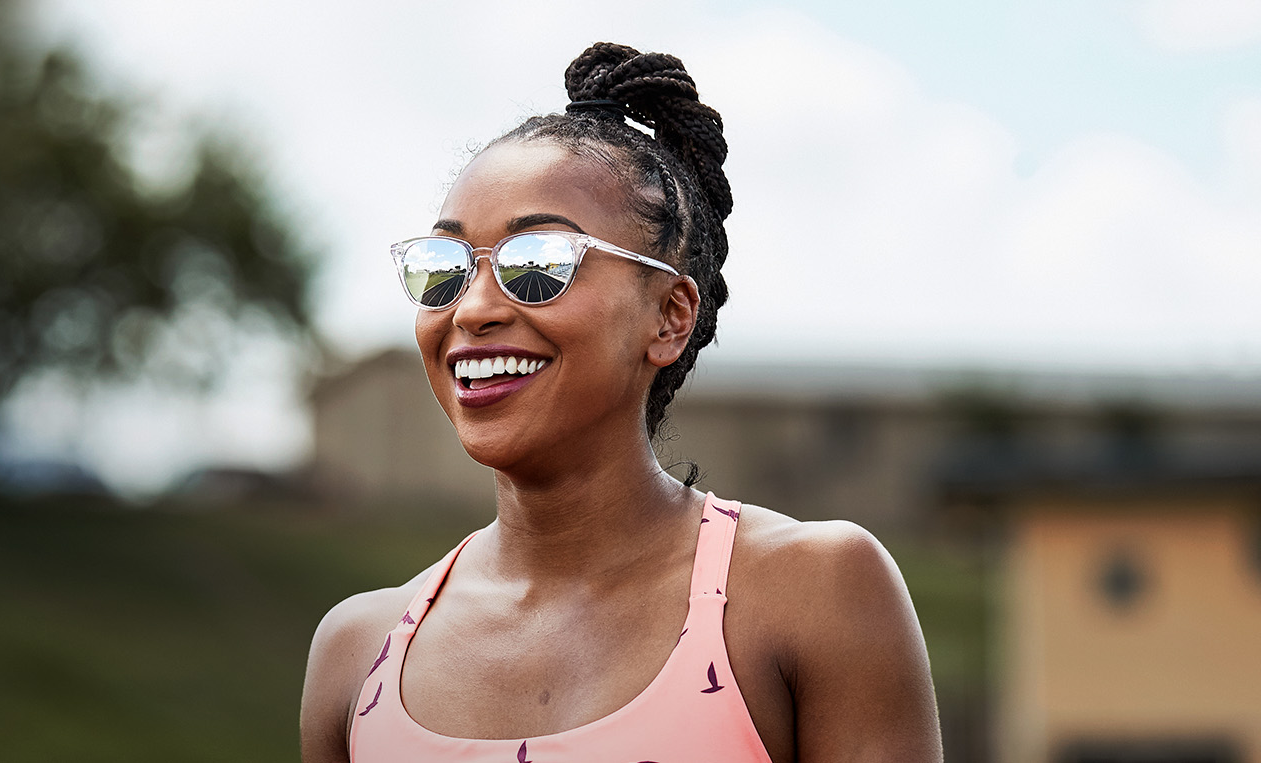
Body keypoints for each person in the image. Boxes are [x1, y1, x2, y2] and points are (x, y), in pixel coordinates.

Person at [299, 43, 943, 763]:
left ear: (668, 315)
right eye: (444, 271)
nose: (473, 309)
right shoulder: (359, 654)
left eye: (537, 264)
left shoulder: (813, 592)